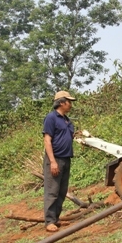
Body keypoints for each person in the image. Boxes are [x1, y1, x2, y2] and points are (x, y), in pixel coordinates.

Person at [42, 90, 76, 232]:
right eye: (69, 101)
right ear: (62, 102)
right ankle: (49, 221)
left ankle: (55, 218)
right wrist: (53, 161)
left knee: (62, 191)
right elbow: (47, 140)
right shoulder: (51, 118)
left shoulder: (67, 121)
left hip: (66, 159)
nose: (71, 104)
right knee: (52, 191)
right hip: (55, 159)